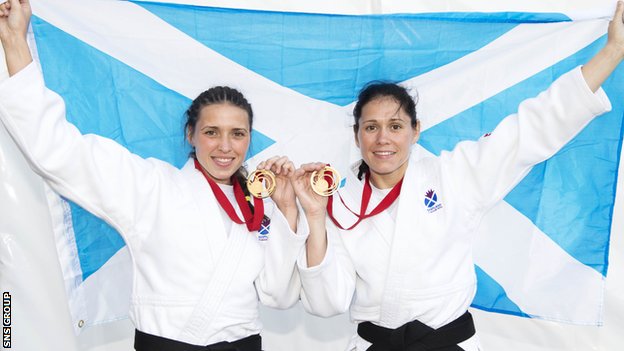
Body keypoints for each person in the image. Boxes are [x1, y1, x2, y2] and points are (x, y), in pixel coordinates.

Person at [290, 3, 624, 351]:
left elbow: (533, 126)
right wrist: (315, 217)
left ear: (416, 131)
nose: (382, 139)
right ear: (357, 135)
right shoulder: (340, 203)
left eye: (395, 126)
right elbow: (328, 303)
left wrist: (614, 50)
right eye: (371, 127)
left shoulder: (455, 175)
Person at [0, 1, 308, 350]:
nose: (225, 146)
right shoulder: (151, 186)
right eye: (211, 132)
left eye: (237, 133)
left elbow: (279, 297)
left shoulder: (259, 206)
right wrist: (15, 41)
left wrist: (287, 209)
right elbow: (58, 150)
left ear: (249, 140)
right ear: (190, 135)